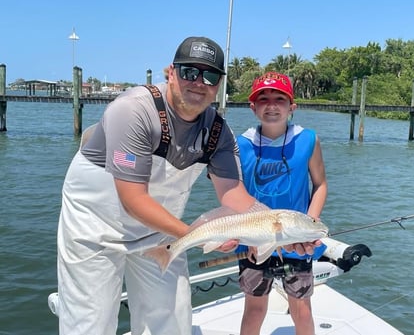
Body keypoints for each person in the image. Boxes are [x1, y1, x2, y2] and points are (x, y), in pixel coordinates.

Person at [57, 36, 261, 335]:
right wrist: (197, 235)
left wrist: (283, 228)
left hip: (159, 229)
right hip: (93, 228)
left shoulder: (218, 132)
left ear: (218, 85)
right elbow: (133, 199)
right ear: (171, 72)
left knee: (173, 320)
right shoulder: (133, 110)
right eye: (189, 71)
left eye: (210, 75)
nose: (199, 82)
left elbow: (233, 194)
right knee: (90, 323)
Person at [236, 72, 328, 335]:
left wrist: (310, 226)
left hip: (297, 241)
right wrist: (247, 236)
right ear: (252, 108)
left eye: (279, 98)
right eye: (263, 99)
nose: (272, 105)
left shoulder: (308, 140)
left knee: (302, 308)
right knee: (254, 308)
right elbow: (234, 194)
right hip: (253, 241)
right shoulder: (240, 144)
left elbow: (320, 185)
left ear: (292, 107)